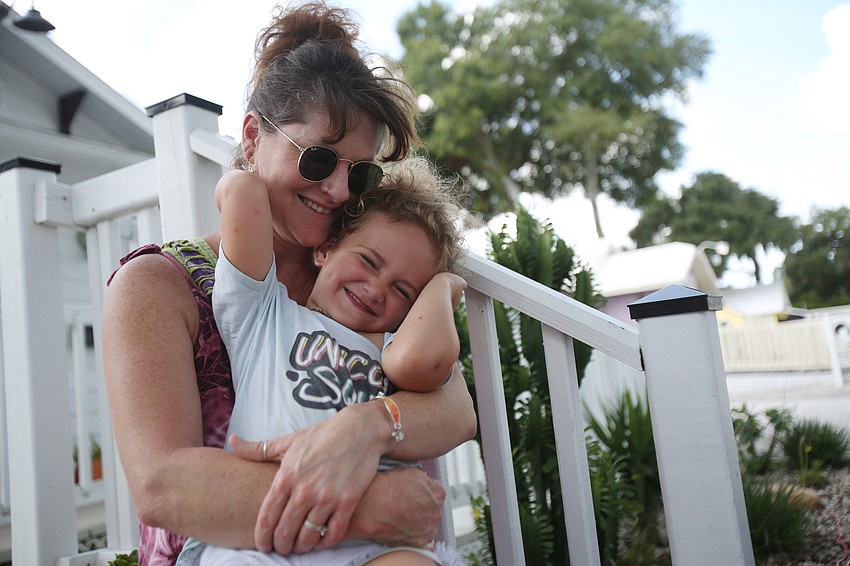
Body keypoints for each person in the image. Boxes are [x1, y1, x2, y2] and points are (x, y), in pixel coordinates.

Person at [101, 2, 477, 564]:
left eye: (361, 172)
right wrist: (370, 508)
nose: (339, 190)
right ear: (252, 136)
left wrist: (369, 426)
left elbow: (455, 410)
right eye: (319, 159)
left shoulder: (368, 283)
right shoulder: (156, 285)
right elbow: (163, 486)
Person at [178, 156, 467, 565]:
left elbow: (422, 363)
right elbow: (241, 190)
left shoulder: (391, 348)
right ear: (326, 249)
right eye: (368, 261)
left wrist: (442, 286)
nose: (376, 289)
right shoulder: (264, 313)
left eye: (403, 290)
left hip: (370, 544)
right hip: (260, 541)